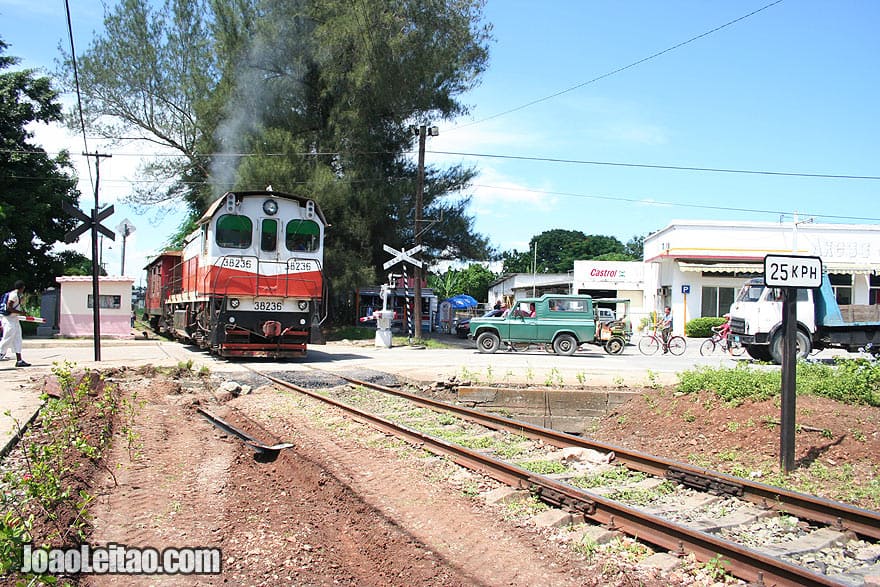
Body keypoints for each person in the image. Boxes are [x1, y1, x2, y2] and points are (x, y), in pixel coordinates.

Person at [0, 281, 31, 367]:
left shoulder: (16, 294)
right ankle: (1, 353)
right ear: (22, 287)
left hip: (14, 319)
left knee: (17, 338)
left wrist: (20, 312)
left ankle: (19, 360)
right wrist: (21, 313)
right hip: (8, 319)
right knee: (8, 337)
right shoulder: (13, 295)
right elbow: (9, 307)